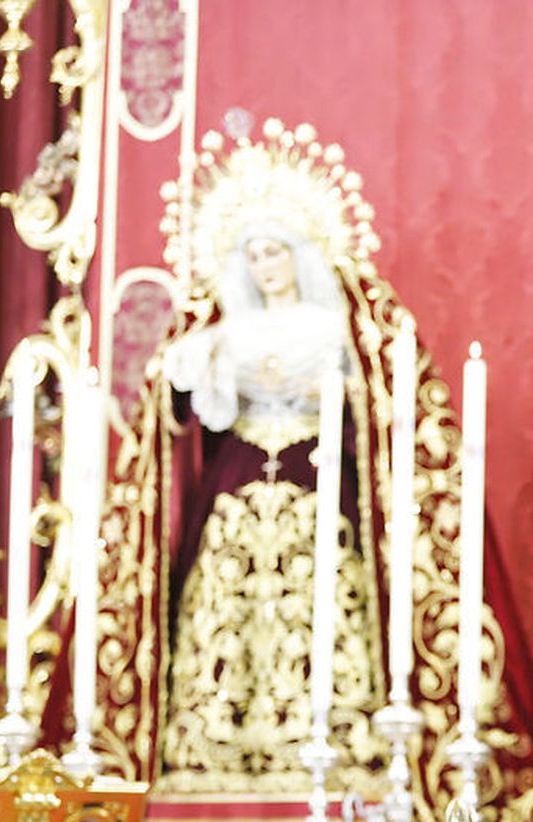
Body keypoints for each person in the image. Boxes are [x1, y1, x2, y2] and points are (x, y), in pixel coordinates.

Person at [158, 217, 385, 791]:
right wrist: (227, 375)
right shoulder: (232, 329)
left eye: (274, 252)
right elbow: (195, 394)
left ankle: (332, 729)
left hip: (315, 460)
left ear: (297, 256)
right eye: (254, 255)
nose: (265, 266)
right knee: (221, 585)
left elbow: (370, 391)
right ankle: (217, 734)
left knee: (325, 583)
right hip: (242, 460)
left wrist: (322, 391)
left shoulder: (331, 326)